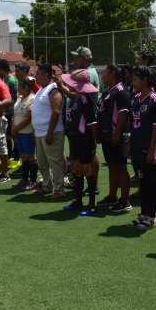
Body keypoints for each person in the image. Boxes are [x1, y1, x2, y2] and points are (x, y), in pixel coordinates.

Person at [126, 66, 156, 229]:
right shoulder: (135, 98)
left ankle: (151, 217)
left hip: (148, 148)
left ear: (145, 80)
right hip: (136, 146)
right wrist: (129, 144)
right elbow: (133, 125)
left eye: (136, 79)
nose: (133, 82)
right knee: (142, 181)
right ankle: (143, 214)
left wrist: (151, 149)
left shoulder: (154, 99)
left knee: (150, 181)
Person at [60, 69, 100, 215]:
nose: (69, 84)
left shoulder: (85, 99)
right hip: (74, 139)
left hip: (84, 139)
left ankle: (92, 205)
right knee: (76, 170)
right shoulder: (76, 97)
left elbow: (92, 121)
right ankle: (78, 201)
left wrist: (94, 139)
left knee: (86, 170)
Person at [96, 64, 132, 213]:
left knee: (121, 167)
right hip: (106, 136)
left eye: (105, 73)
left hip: (115, 136)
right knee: (112, 166)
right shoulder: (106, 91)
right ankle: (112, 196)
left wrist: (117, 134)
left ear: (113, 74)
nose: (103, 75)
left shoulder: (121, 91)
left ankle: (125, 201)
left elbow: (123, 114)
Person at [69, 47, 100, 197]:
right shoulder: (88, 72)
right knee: (83, 160)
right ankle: (88, 188)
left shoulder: (87, 73)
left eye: (77, 58)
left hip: (86, 123)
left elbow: (81, 94)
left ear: (86, 59)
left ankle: (93, 187)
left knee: (88, 159)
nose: (74, 61)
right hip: (80, 123)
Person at [32, 64, 66, 198]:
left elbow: (56, 111)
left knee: (54, 162)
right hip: (40, 133)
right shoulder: (42, 89)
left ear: (46, 75)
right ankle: (47, 186)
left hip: (51, 132)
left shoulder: (53, 89)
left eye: (38, 73)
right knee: (42, 162)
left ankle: (59, 190)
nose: (36, 75)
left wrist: (50, 132)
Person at [11, 79, 38, 190]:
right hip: (19, 133)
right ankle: (24, 179)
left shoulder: (32, 98)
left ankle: (32, 181)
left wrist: (16, 128)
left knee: (31, 158)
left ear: (27, 87)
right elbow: (15, 114)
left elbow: (29, 118)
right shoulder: (20, 98)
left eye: (20, 86)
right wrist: (13, 127)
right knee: (24, 158)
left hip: (27, 132)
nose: (18, 88)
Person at [0, 59, 21, 169]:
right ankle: (10, 157)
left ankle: (17, 159)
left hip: (12, 113)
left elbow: (15, 98)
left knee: (14, 135)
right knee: (7, 136)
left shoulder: (11, 80)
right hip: (6, 112)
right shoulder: (4, 80)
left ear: (2, 69)